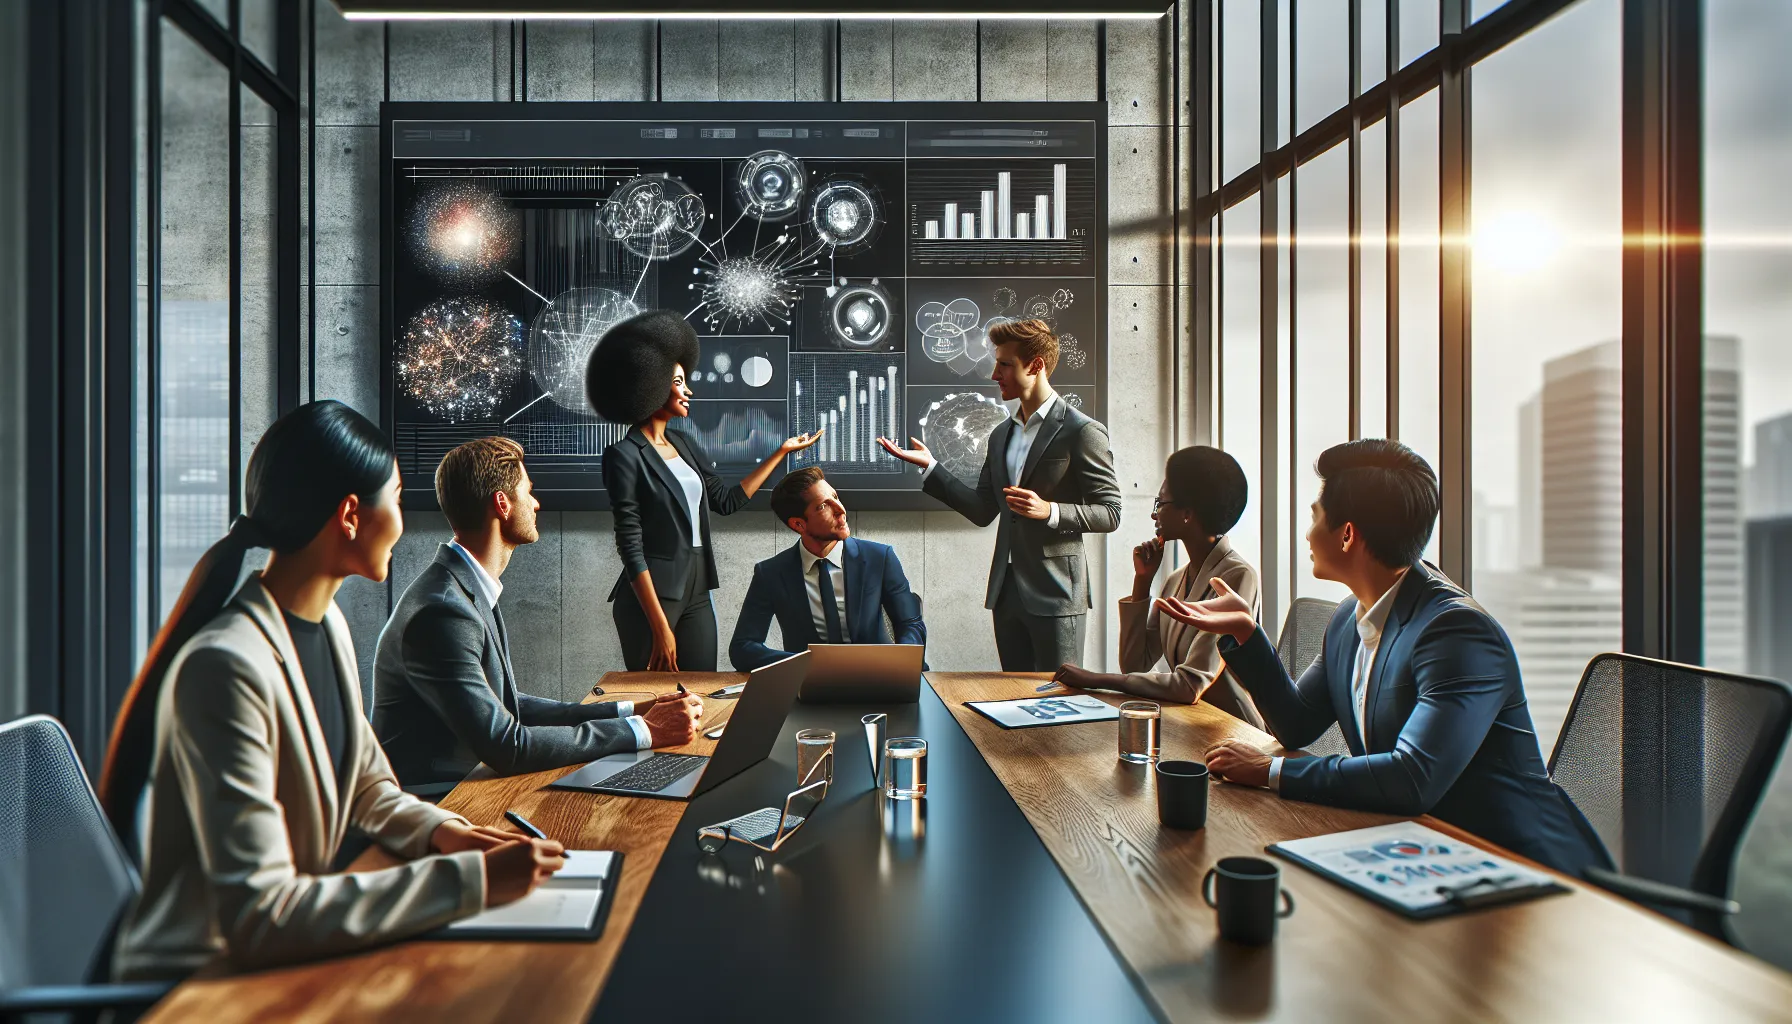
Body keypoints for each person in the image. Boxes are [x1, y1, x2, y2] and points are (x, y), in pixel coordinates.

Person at [99, 402, 564, 980]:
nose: (402, 517)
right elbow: (260, 914)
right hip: (199, 986)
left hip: (285, 954)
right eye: (395, 497)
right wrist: (472, 882)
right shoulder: (225, 667)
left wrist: (455, 836)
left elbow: (368, 788)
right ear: (350, 515)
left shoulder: (327, 625)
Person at [1154, 439, 1611, 876]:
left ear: (1347, 534)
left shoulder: (1457, 633)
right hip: (1422, 851)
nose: (1308, 532)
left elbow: (1412, 777)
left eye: (1315, 517)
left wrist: (1273, 770)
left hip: (1517, 864)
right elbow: (1296, 723)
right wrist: (1246, 633)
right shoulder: (1350, 616)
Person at [373, 436, 704, 792]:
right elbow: (507, 744)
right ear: (502, 504)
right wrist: (646, 732)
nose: (536, 503)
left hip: (469, 786)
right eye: (528, 492)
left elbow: (507, 706)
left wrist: (635, 712)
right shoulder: (442, 611)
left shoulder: (461, 587)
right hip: (439, 802)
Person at [877, 319, 1121, 670]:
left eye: (1004, 364)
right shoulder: (1000, 435)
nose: (994, 374)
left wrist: (1050, 511)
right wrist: (931, 467)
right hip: (1006, 594)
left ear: (1035, 366)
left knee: (1059, 701)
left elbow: (1111, 512)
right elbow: (982, 510)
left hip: (1057, 595)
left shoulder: (1082, 431)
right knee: (1013, 701)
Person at [588, 310, 822, 672]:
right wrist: (660, 627)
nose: (689, 391)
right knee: (660, 702)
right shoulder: (624, 456)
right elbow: (631, 547)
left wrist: (781, 452)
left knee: (705, 689)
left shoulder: (684, 443)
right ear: (651, 383)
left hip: (697, 587)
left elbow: (726, 501)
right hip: (652, 598)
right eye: (679, 382)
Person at [1051, 446, 1264, 729]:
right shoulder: (1175, 580)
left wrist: (1095, 678)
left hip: (1233, 733)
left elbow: (1189, 685)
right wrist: (1142, 582)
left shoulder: (1238, 578)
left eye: (1161, 503)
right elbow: (1135, 664)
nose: (1155, 515)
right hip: (1189, 725)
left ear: (1187, 513)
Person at [729, 467, 926, 671]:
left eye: (835, 496)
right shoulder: (770, 573)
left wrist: (900, 664)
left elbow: (910, 623)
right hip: (808, 686)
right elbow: (743, 648)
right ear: (799, 524)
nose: (840, 509)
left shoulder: (880, 558)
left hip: (879, 677)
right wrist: (807, 663)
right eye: (824, 506)